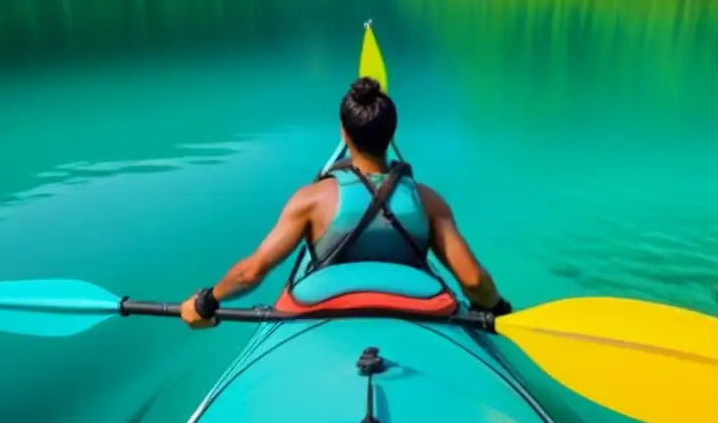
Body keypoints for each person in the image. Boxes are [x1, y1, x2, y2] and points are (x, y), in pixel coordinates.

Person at [179, 77, 511, 328]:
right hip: (418, 307)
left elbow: (251, 272)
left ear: (344, 132)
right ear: (392, 134)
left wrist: (207, 301)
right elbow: (472, 282)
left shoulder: (310, 201)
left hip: (324, 306)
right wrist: (497, 309)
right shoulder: (428, 201)